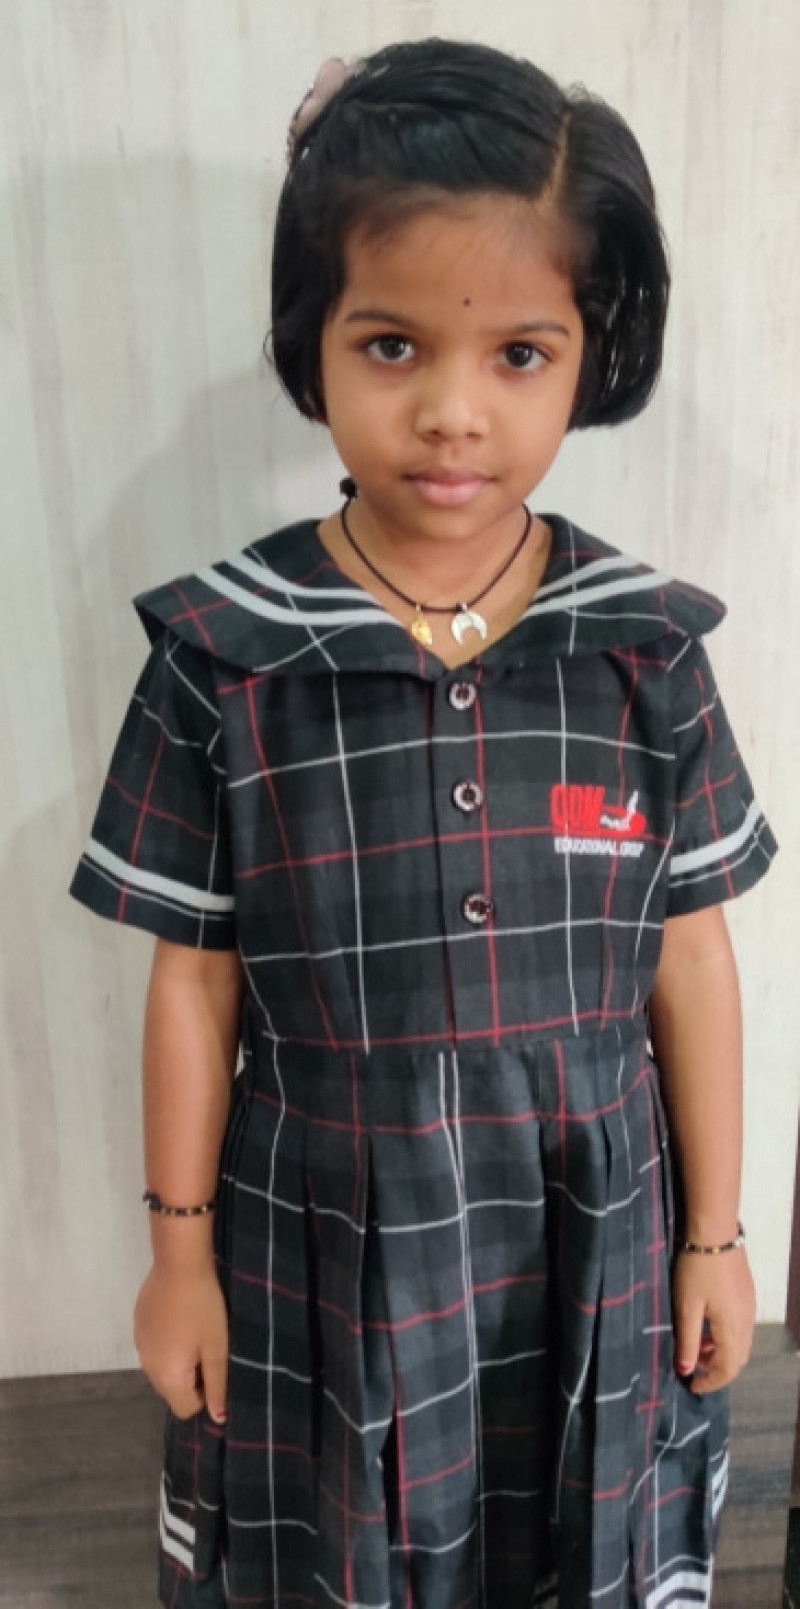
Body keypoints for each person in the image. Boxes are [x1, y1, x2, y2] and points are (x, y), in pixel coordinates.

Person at [70, 38, 777, 1609]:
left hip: (590, 1228)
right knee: (329, 1541)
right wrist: (178, 1255)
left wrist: (717, 1236)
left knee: (577, 1535)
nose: (454, 413)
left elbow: (692, 960)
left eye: (520, 352)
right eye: (391, 344)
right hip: (319, 1230)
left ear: (595, 353)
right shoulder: (225, 654)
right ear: (309, 340)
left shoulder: (645, 649)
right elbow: (194, 979)